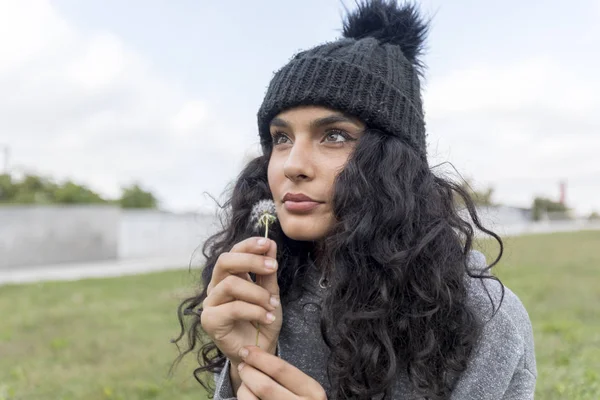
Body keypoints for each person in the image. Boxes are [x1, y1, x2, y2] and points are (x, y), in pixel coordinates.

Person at [172, 1, 537, 399]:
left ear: (393, 162)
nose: (292, 165)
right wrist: (248, 364)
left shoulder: (483, 316)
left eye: (334, 135)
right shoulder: (270, 293)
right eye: (281, 138)